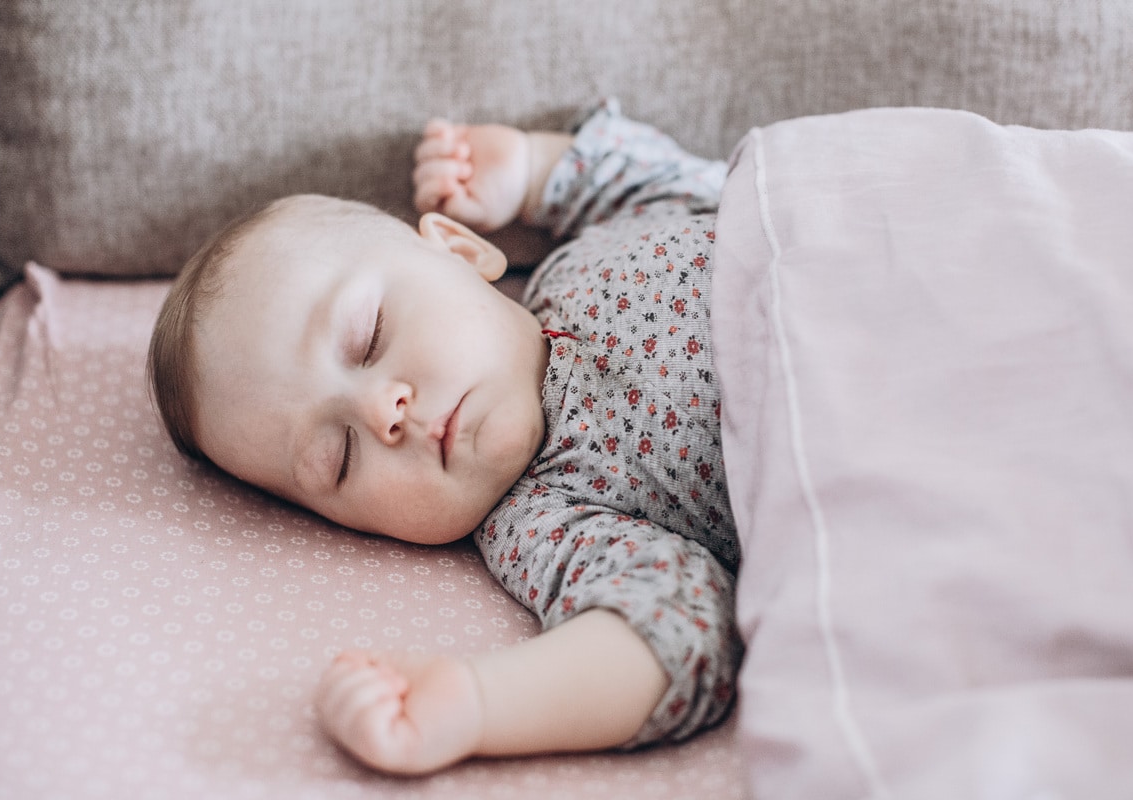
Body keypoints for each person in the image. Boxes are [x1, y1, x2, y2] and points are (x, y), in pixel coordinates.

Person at [147, 100, 742, 775]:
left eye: (368, 337)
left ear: (460, 249)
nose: (382, 413)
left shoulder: (592, 253)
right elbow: (676, 629)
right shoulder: (544, 524)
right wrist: (476, 705)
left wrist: (530, 169)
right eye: (339, 459)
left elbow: (687, 184)